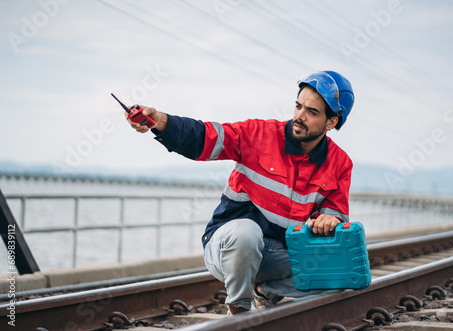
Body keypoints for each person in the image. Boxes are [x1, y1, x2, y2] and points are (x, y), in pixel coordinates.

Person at [125, 71, 355, 315]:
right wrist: (160, 121)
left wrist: (332, 220)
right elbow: (204, 137)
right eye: (298, 106)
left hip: (280, 256)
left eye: (312, 112)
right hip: (230, 247)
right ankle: (238, 314)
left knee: (340, 282)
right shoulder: (259, 134)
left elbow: (335, 216)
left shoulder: (340, 164)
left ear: (332, 122)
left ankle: (266, 291)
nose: (299, 116)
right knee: (247, 232)